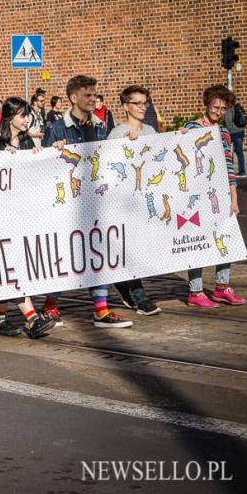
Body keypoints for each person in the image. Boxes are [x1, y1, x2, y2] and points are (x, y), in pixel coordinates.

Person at [43, 75, 132, 328]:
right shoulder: (57, 128)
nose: (93, 98)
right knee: (65, 253)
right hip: (68, 205)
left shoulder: (99, 125)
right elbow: (47, 170)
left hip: (95, 201)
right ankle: (50, 305)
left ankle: (101, 310)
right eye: (88, 95)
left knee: (97, 251)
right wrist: (55, 152)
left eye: (95, 94)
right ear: (73, 98)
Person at [0, 98, 56, 339]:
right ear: (10, 116)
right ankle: (32, 318)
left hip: (23, 213)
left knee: (13, 264)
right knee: (12, 265)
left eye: (27, 115)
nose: (27, 120)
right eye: (23, 115)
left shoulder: (27, 141)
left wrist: (39, 155)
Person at [184, 85, 246, 307]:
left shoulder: (225, 133)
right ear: (207, 104)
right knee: (198, 241)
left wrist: (234, 199)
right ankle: (195, 291)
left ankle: (221, 287)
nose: (218, 111)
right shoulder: (191, 128)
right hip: (195, 194)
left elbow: (229, 166)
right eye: (215, 106)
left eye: (223, 108)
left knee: (225, 238)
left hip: (220, 193)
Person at [105, 85, 162, 315]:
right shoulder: (118, 133)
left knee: (142, 248)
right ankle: (140, 297)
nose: (142, 107)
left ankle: (122, 284)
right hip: (124, 202)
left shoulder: (150, 130)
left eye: (144, 103)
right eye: (137, 103)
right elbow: (108, 166)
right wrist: (125, 147)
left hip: (146, 200)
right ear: (125, 106)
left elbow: (161, 156)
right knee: (131, 250)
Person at [224, 100, 247, 178]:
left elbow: (228, 122)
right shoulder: (236, 106)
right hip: (240, 131)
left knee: (227, 151)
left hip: (233, 132)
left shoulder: (229, 108)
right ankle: (242, 171)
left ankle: (230, 172)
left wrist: (227, 131)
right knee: (239, 152)